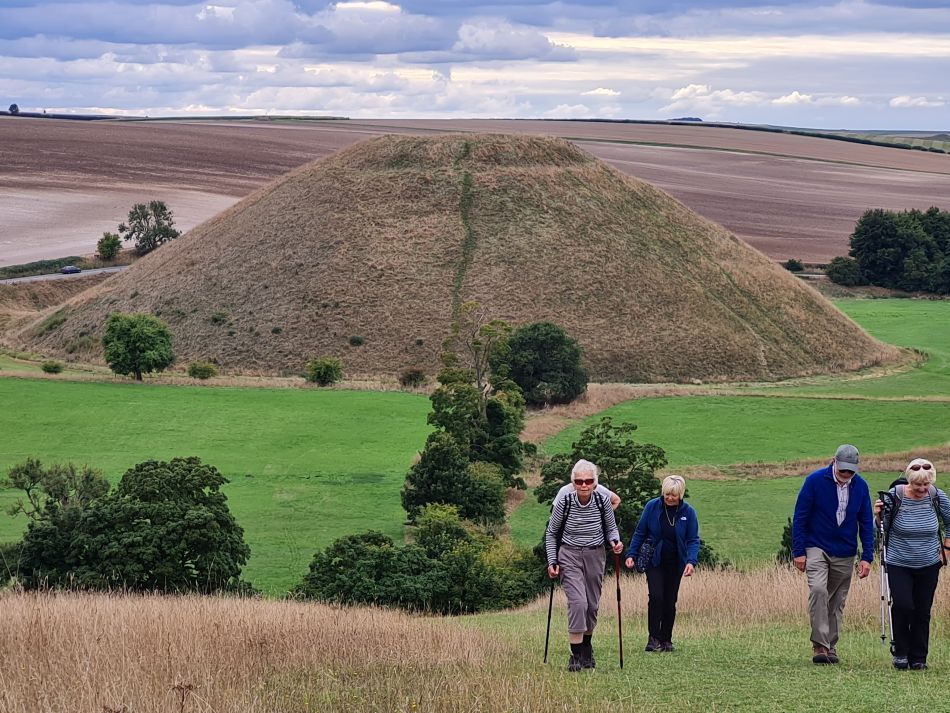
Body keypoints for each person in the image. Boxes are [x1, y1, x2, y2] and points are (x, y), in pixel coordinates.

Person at [792, 444, 873, 665]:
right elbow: (800, 516)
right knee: (818, 590)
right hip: (816, 545)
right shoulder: (815, 481)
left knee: (837, 600)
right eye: (843, 470)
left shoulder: (861, 487)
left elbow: (866, 522)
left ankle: (831, 645)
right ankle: (820, 644)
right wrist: (798, 551)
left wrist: (867, 556)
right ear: (833, 462)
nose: (846, 475)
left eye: (850, 471)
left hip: (845, 551)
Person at [544, 459, 623, 672]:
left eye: (588, 480)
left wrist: (615, 542)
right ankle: (576, 655)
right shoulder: (565, 501)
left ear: (595, 482)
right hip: (569, 554)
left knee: (592, 605)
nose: (584, 485)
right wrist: (552, 560)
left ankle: (587, 647)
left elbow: (611, 528)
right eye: (579, 481)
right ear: (573, 483)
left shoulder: (602, 500)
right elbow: (551, 533)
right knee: (578, 603)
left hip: (595, 554)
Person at [874, 458, 950, 670]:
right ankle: (901, 652)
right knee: (904, 605)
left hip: (929, 563)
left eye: (926, 484)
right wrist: (878, 515)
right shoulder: (894, 497)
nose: (922, 489)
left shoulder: (937, 497)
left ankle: (918, 657)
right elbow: (882, 528)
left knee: (922, 610)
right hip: (899, 562)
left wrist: (946, 550)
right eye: (918, 485)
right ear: (909, 481)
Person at [624, 474, 699, 652]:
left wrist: (691, 561)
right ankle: (653, 637)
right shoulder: (652, 507)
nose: (670, 498)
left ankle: (666, 639)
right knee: (656, 597)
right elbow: (640, 532)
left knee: (670, 600)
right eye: (667, 494)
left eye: (673, 495)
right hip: (654, 561)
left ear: (680, 495)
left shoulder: (688, 513)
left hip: (676, 563)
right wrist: (631, 554)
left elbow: (693, 540)